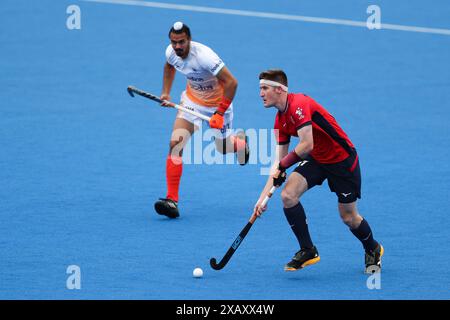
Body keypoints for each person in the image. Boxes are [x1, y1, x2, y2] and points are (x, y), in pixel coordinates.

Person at [254, 69, 383, 274]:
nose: (260, 93)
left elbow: (306, 144)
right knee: (288, 195)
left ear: (279, 89)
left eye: (264, 88)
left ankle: (373, 248)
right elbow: (279, 163)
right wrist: (261, 200)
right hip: (318, 158)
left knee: (349, 218)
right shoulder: (279, 120)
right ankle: (308, 250)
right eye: (260, 88)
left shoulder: (299, 104)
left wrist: (284, 166)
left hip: (342, 160)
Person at [154, 22, 249, 219]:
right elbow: (169, 67)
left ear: (189, 39)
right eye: (174, 42)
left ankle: (241, 145)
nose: (177, 47)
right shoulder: (171, 53)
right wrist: (165, 93)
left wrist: (220, 113)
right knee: (175, 144)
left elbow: (232, 82)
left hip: (218, 105)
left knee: (222, 148)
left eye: (181, 42)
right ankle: (172, 200)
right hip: (192, 103)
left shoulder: (205, 56)